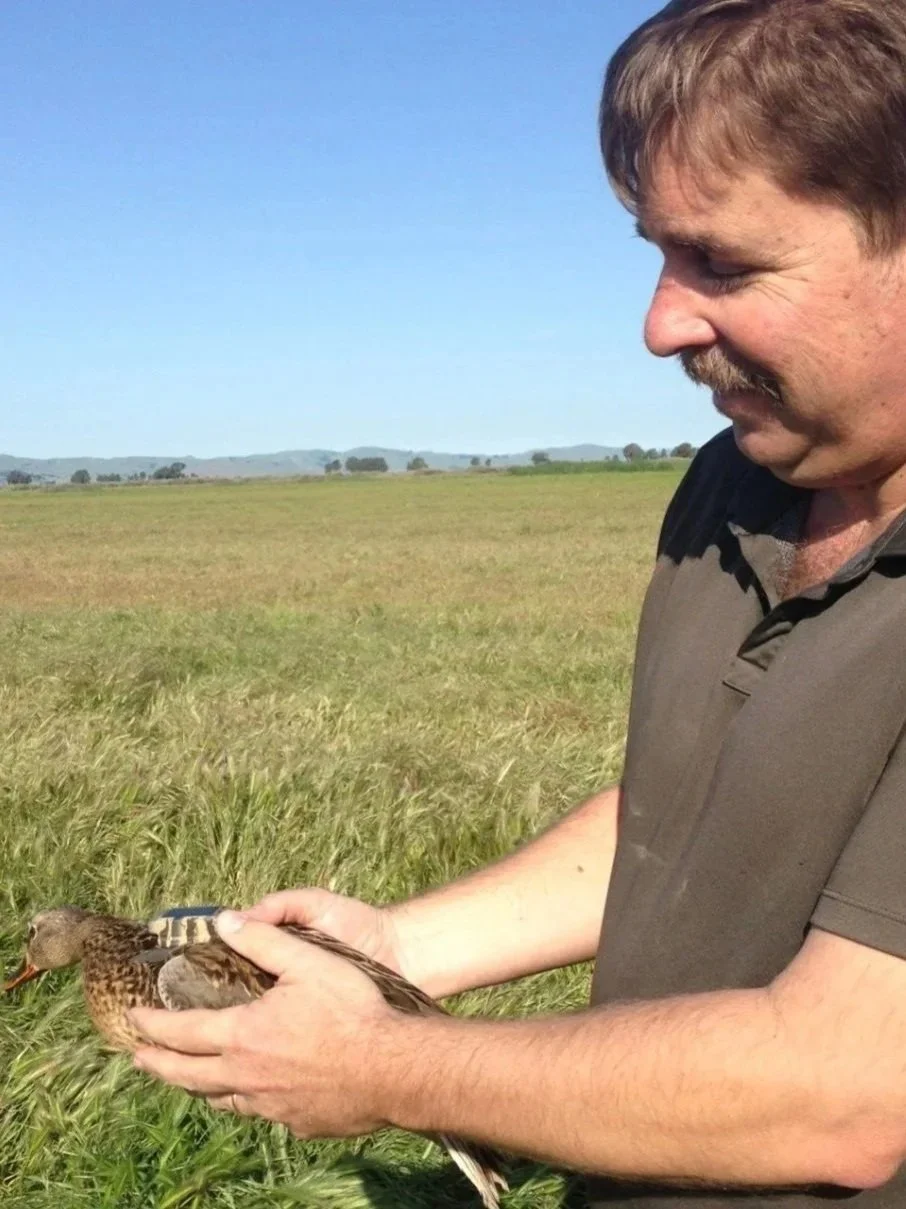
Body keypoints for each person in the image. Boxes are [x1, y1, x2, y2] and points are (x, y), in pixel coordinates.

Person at [131, 1, 906, 1204]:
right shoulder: (740, 479)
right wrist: (398, 953)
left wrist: (396, 1066)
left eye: (727, 263)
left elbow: (845, 1091)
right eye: (658, 251)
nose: (660, 325)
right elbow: (694, 815)